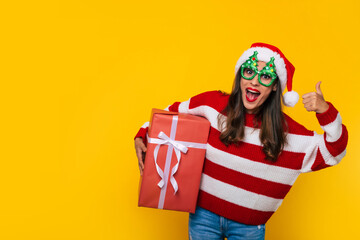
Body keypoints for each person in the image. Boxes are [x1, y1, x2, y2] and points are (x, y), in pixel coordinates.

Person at [134, 43, 348, 240]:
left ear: (275, 86)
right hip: (203, 218)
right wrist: (142, 135)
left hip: (249, 228)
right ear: (240, 76)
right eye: (249, 71)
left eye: (265, 76)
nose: (254, 80)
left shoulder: (290, 133)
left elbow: (334, 151)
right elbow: (170, 114)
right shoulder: (212, 105)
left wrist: (326, 111)